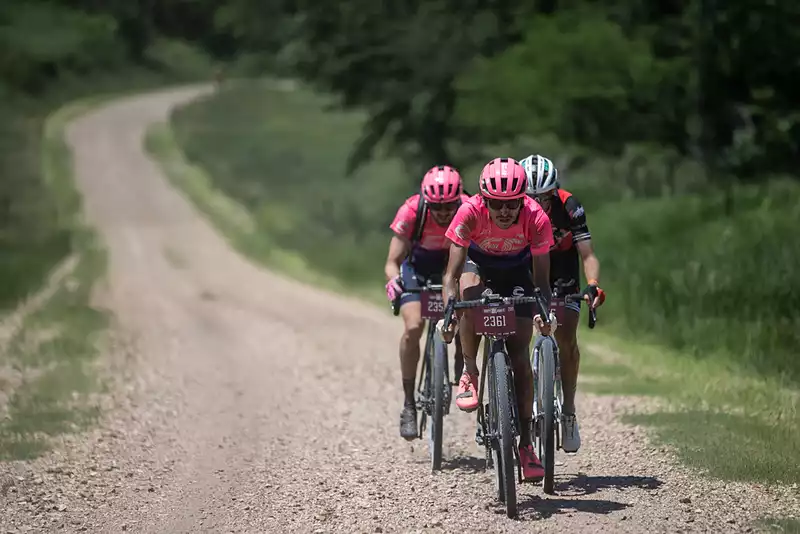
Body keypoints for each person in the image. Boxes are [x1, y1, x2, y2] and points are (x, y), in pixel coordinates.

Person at [439, 157, 554, 481]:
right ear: (484, 200)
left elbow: (542, 283)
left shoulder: (536, 217)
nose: (504, 211)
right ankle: (470, 372)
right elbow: (451, 274)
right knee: (468, 294)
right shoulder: (469, 212)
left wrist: (544, 313)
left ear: (523, 200)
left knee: (519, 355)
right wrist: (450, 307)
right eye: (497, 204)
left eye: (511, 204)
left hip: (517, 270)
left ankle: (527, 446)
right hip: (479, 264)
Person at [519, 154, 606, 454]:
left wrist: (592, 285)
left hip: (562, 272)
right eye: (531, 198)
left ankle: (568, 411)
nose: (538, 204)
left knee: (567, 337)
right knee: (518, 334)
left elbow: (588, 254)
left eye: (544, 197)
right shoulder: (510, 210)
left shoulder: (570, 205)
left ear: (554, 191)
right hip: (528, 269)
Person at [385, 165, 469, 440]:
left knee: (461, 309)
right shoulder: (411, 210)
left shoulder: (470, 207)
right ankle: (409, 403)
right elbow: (392, 262)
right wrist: (394, 280)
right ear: (425, 201)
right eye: (437, 207)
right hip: (418, 270)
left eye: (449, 206)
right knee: (413, 328)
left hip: (452, 268)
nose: (444, 213)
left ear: (459, 198)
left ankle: (461, 357)